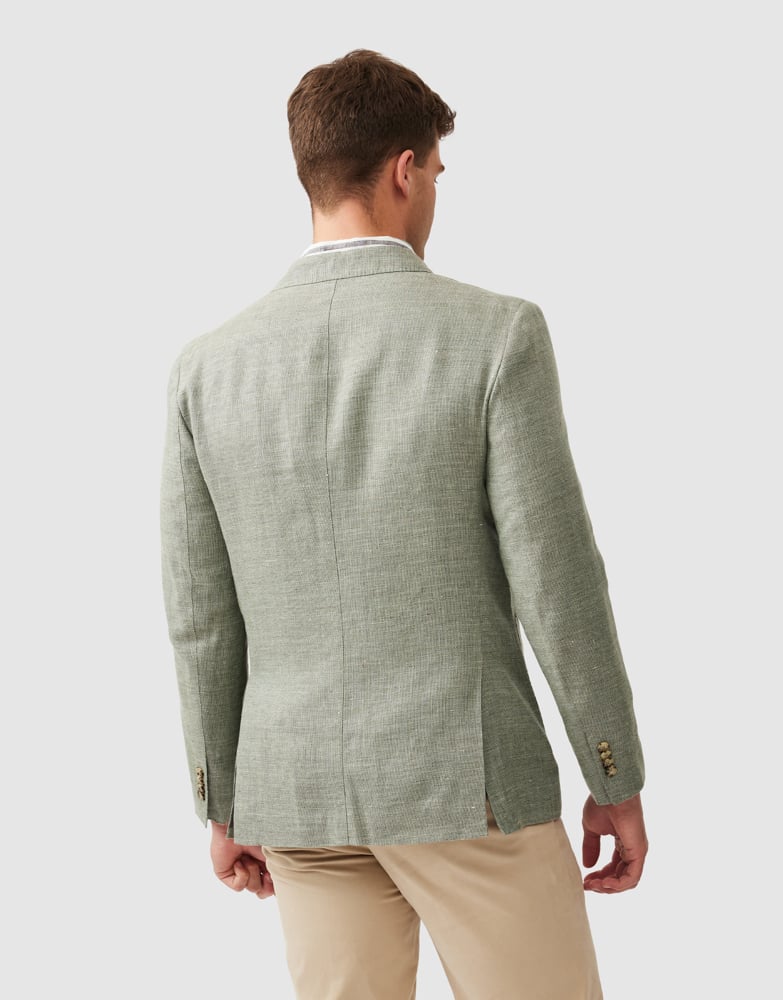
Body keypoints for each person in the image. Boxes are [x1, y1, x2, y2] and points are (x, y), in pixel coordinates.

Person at [159, 48, 648, 1000]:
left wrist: (222, 800)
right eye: (436, 173)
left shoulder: (206, 370)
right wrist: (612, 772)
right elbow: (557, 581)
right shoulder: (495, 336)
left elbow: (200, 619)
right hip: (470, 788)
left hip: (297, 794)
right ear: (404, 169)